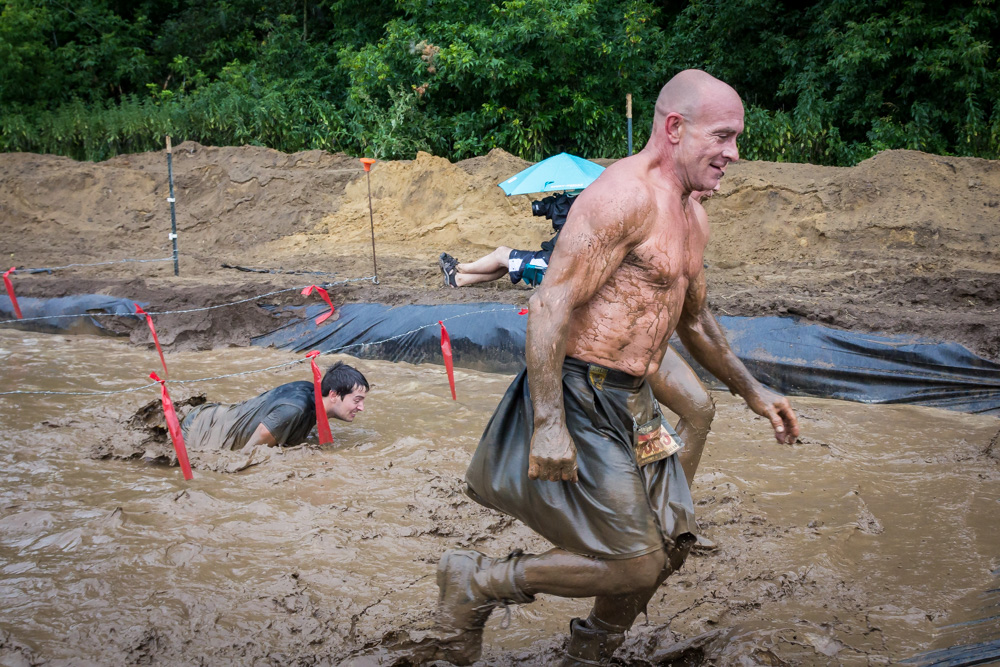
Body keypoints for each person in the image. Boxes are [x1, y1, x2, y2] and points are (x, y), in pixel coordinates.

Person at [430, 69, 800, 666]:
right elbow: (549, 304)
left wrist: (754, 392)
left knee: (671, 543)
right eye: (723, 136)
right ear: (675, 128)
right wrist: (549, 423)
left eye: (736, 138)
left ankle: (590, 654)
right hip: (583, 390)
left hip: (634, 398)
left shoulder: (692, 214)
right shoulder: (622, 197)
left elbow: (695, 322)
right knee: (635, 562)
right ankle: (478, 580)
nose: (734, 153)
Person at [181, 361, 368, 451]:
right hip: (198, 430)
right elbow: (248, 454)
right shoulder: (296, 409)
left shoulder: (311, 393)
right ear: (333, 395)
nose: (361, 407)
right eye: (357, 400)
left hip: (212, 416)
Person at [439, 192, 577, 288]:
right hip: (556, 262)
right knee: (507, 264)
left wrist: (564, 209)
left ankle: (460, 268)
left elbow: (566, 240)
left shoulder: (578, 219)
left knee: (501, 253)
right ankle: (458, 279)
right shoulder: (584, 213)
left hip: (551, 266)